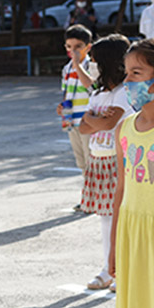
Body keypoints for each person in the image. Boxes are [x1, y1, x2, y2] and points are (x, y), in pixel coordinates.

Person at [108, 38, 154, 308]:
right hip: (134, 231)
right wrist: (112, 247)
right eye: (127, 75)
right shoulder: (125, 127)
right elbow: (121, 189)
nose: (129, 83)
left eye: (137, 74)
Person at [76, 35, 133, 292]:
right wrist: (93, 118)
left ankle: (122, 269)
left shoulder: (123, 93)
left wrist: (93, 118)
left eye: (95, 61)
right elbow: (83, 127)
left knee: (121, 217)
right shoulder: (99, 93)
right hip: (98, 160)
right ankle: (108, 268)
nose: (91, 66)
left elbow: (109, 124)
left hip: (117, 161)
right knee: (106, 218)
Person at [58, 24, 98, 211]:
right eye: (68, 47)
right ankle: (87, 197)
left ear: (88, 47)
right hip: (71, 120)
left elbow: (90, 86)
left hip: (88, 121)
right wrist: (62, 106)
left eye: (77, 47)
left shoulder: (92, 65)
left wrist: (77, 65)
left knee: (92, 161)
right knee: (81, 162)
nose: (72, 51)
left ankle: (95, 198)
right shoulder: (66, 69)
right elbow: (67, 92)